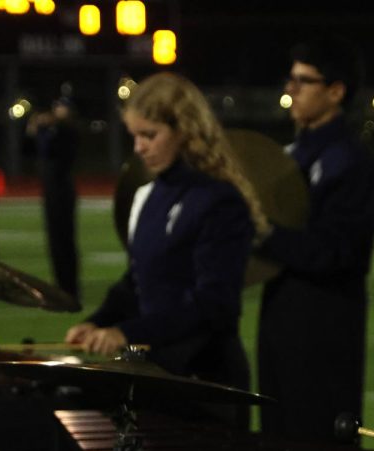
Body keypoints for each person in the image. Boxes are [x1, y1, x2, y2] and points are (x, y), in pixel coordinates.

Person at [64, 73, 266, 428]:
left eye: (150, 135)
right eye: (135, 136)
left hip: (205, 378)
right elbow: (136, 281)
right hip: (158, 371)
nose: (139, 147)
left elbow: (214, 304)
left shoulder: (220, 202)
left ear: (185, 131)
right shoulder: (146, 196)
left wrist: (128, 331)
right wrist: (99, 319)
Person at [256, 37, 374, 441]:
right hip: (281, 316)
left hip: (325, 325)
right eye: (290, 79)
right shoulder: (293, 155)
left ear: (335, 91)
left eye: (303, 81)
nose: (290, 89)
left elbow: (335, 253)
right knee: (279, 441)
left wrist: (263, 233)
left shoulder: (351, 162)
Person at [26, 96, 80, 302]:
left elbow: (53, 149)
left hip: (63, 188)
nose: (58, 111)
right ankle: (59, 284)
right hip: (50, 188)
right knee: (54, 239)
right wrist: (35, 129)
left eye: (62, 108)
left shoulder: (68, 130)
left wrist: (46, 128)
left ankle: (70, 286)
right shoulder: (52, 129)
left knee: (65, 239)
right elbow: (32, 151)